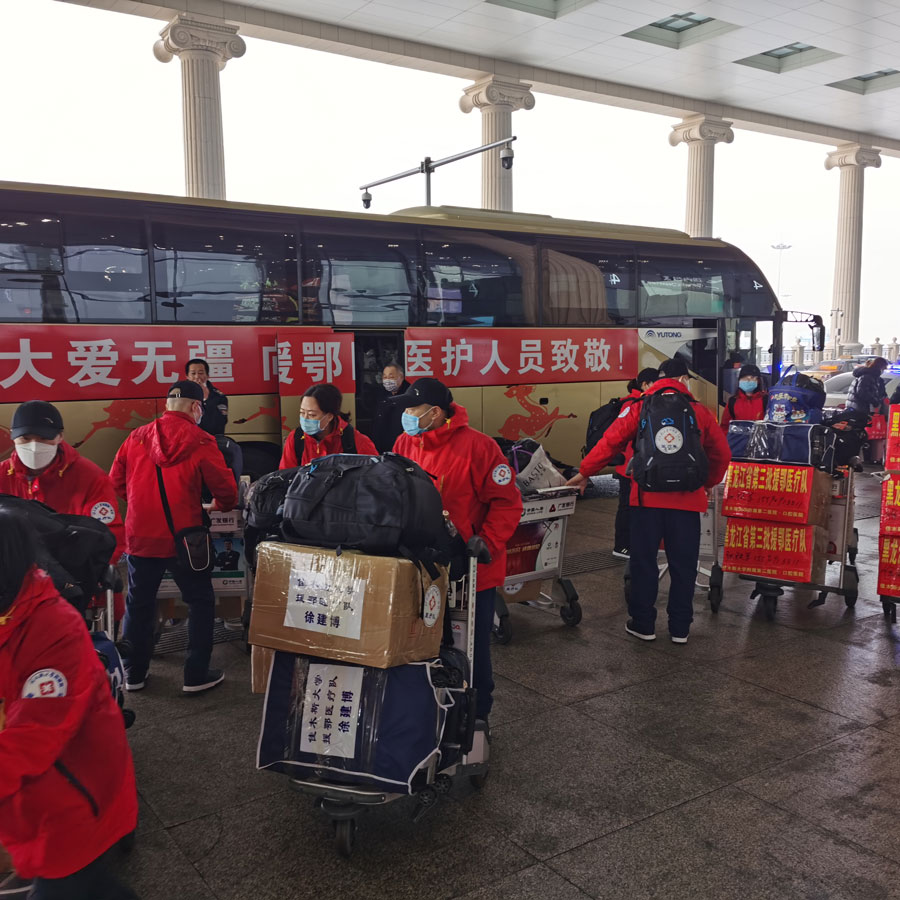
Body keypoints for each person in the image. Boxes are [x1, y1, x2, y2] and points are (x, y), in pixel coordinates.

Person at [0, 510, 138, 900]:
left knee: (69, 880)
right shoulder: (13, 613)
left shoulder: (54, 628)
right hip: (39, 796)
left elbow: (34, 735)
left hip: (71, 793)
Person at [567, 359, 731, 644]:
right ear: (684, 380)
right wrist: (706, 484)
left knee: (644, 563)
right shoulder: (699, 411)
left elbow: (609, 441)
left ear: (658, 379)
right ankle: (680, 628)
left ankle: (643, 624)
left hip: (646, 501)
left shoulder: (639, 407)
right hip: (687, 502)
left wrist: (585, 473)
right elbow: (722, 454)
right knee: (684, 565)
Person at [390, 377, 522, 727]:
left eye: (412, 409)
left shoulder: (479, 447)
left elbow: (507, 503)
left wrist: (487, 541)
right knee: (420, 644)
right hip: (419, 568)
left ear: (435, 413)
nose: (406, 415)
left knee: (470, 649)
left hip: (470, 570)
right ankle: (426, 713)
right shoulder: (404, 442)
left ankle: (476, 716)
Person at [110, 380, 238, 694]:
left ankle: (133, 674)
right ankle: (196, 675)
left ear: (168, 405)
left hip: (141, 537)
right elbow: (226, 491)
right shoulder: (202, 440)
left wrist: (141, 502)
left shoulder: (136, 437)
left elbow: (115, 483)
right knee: (200, 601)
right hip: (186, 539)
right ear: (195, 407)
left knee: (139, 603)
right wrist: (218, 505)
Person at [0, 400, 124, 559]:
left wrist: (85, 570)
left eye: (44, 438)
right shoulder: (2, 476)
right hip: (12, 570)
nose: (34, 446)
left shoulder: (90, 477)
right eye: (25, 438)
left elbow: (108, 537)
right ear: (13, 436)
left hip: (72, 570)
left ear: (60, 436)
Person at [612, 368, 658, 559]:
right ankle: (621, 546)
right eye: (655, 383)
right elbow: (618, 435)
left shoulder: (649, 401)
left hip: (640, 465)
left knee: (637, 506)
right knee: (626, 506)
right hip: (629, 466)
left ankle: (635, 543)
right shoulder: (632, 404)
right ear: (645, 384)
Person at [278, 383, 376, 469]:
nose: (305, 418)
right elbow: (285, 476)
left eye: (312, 415)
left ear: (329, 416)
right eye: (302, 413)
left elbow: (374, 476)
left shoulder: (356, 441)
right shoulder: (295, 438)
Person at [371, 363, 412, 453]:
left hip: (402, 446)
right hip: (381, 445)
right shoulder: (381, 393)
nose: (387, 380)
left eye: (391, 377)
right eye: (385, 377)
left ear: (401, 377)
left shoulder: (409, 394)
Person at [185, 358, 229, 436]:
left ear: (207, 375)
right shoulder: (180, 395)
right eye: (193, 373)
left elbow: (220, 423)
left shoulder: (219, 397)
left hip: (212, 439)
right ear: (187, 376)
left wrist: (205, 399)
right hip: (188, 438)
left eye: (201, 373)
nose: (197, 377)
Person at [720, 363, 769, 432]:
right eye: (744, 378)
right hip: (738, 438)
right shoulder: (733, 401)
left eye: (751, 378)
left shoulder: (766, 400)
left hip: (761, 438)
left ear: (758, 381)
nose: (748, 381)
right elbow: (725, 426)